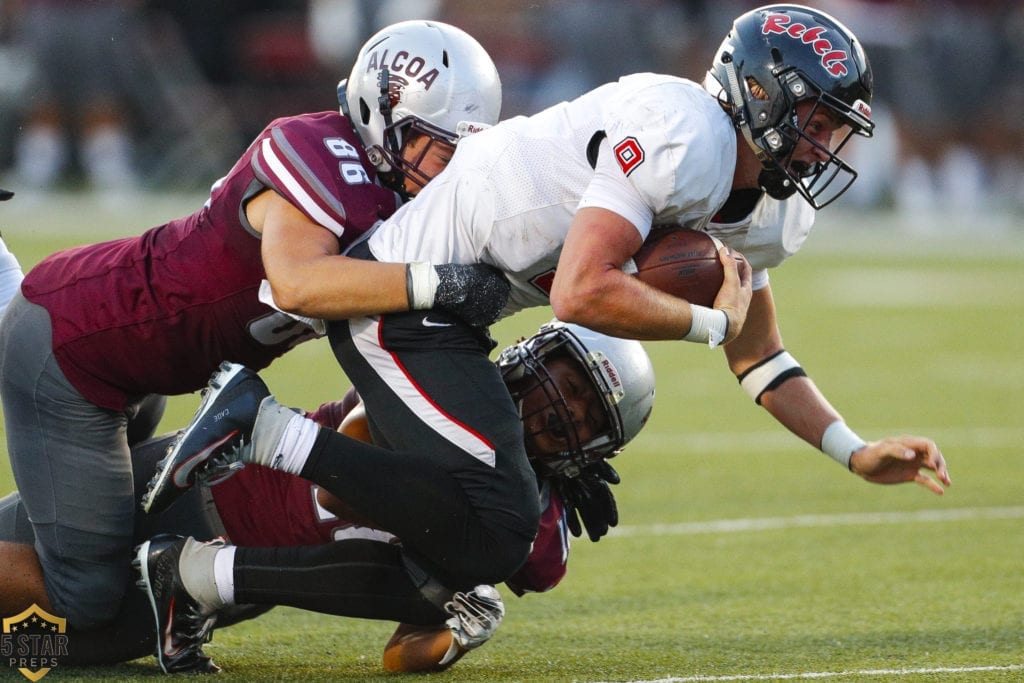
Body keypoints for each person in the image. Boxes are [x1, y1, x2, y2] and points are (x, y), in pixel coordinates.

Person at [145, 3, 949, 662]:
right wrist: (708, 321)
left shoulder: (761, 201)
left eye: (837, 128)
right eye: (816, 118)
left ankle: (213, 575)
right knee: (497, 525)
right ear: (763, 96)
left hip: (455, 313)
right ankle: (259, 433)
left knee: (473, 546)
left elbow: (760, 354)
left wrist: (854, 448)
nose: (828, 143)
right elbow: (582, 290)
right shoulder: (688, 135)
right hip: (405, 291)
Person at [0, 19, 504, 640]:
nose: (448, 168)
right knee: (84, 593)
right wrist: (439, 283)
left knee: (92, 525)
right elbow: (298, 282)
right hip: (75, 350)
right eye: (438, 147)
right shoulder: (319, 150)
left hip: (137, 361)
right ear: (384, 112)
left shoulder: (389, 188)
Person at [1, 320, 654, 673]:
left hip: (223, 579)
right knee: (46, 596)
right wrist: (463, 556)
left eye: (584, 413)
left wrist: (460, 629)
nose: (559, 411)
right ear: (529, 354)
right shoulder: (458, 390)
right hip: (200, 486)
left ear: (597, 450)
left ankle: (198, 578)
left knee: (36, 645)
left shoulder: (528, 527)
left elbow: (406, 651)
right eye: (566, 385)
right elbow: (349, 469)